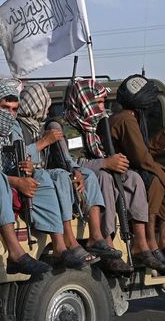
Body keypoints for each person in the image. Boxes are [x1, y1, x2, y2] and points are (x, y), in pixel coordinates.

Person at [59, 78, 165, 275]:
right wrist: (105, 163)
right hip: (85, 175)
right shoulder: (67, 126)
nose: (103, 107)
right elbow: (71, 163)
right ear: (86, 101)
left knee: (134, 178)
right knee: (104, 178)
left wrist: (115, 161)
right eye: (100, 102)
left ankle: (141, 243)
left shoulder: (99, 124)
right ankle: (108, 242)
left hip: (105, 168)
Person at [17, 83, 128, 271]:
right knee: (61, 176)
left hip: (50, 169)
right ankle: (68, 239)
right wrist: (45, 142)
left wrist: (75, 169)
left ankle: (96, 235)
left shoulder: (45, 125)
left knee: (89, 176)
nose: (45, 108)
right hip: (31, 172)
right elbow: (17, 156)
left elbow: (66, 157)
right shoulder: (19, 126)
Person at [0, 80, 54, 274]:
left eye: (14, 109)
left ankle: (61, 244)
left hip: (4, 179)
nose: (9, 113)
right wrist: (15, 181)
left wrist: (26, 167)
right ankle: (15, 251)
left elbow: (17, 159)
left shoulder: (13, 128)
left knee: (43, 175)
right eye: (4, 107)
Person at [111, 74, 165, 272]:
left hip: (132, 167)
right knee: (157, 180)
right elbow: (142, 158)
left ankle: (164, 242)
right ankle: (151, 243)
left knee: (161, 177)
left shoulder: (130, 118)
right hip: (123, 172)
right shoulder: (126, 120)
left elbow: (143, 150)